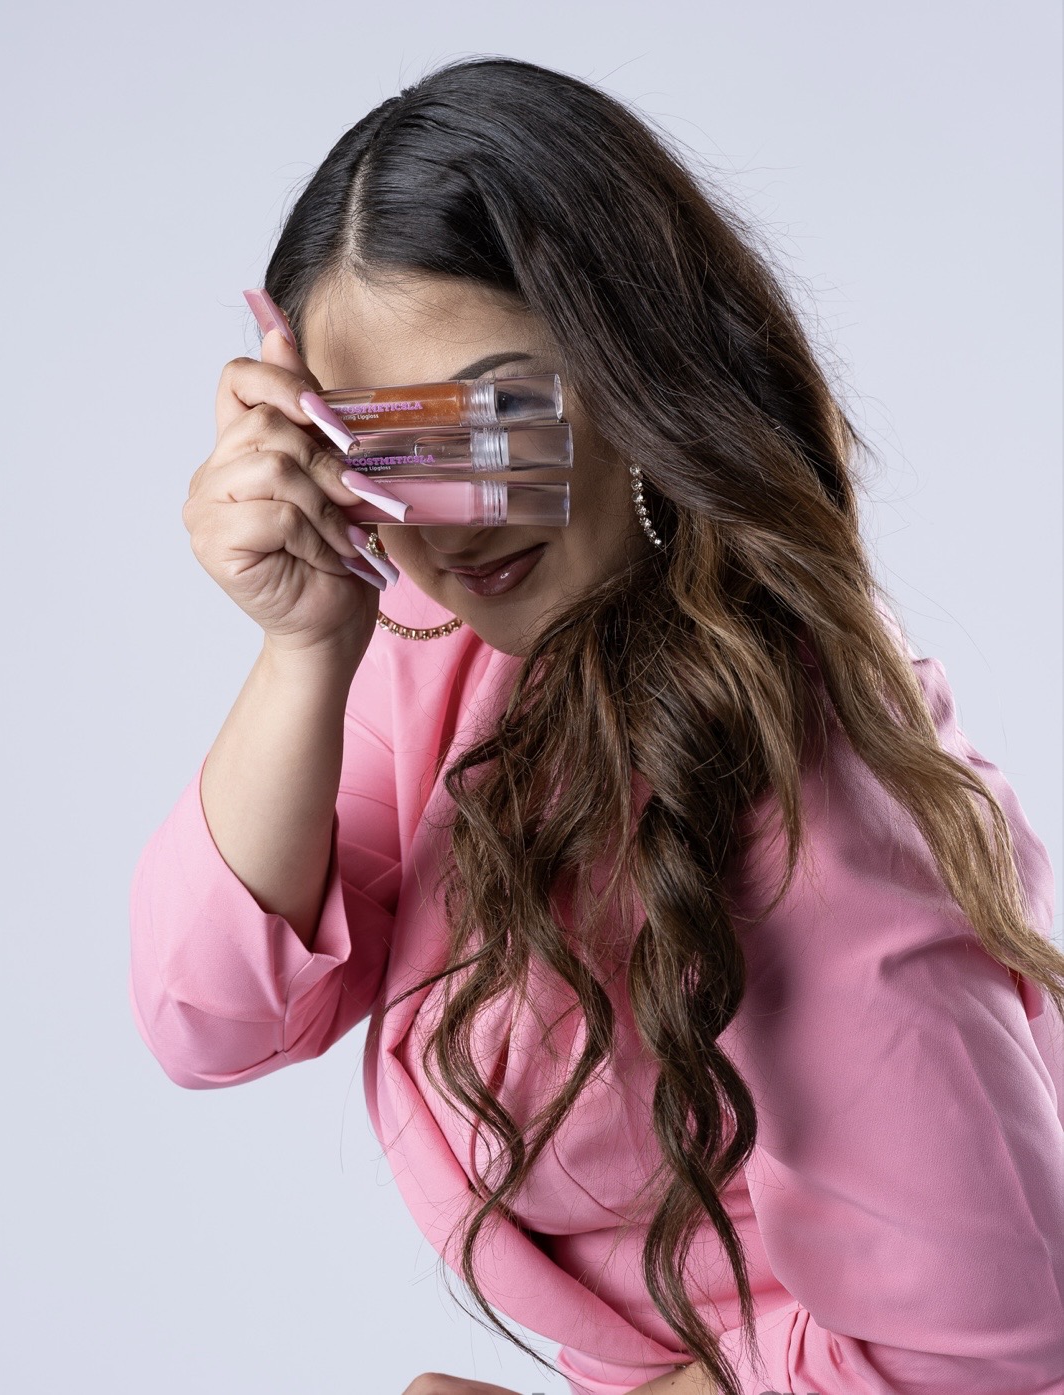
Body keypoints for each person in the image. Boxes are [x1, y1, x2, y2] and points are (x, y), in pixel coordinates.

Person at [127, 57, 1064, 1395]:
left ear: (635, 374)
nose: (443, 520)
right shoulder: (445, 649)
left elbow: (986, 1347)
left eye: (494, 423)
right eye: (378, 444)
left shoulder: (810, 788)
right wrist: (305, 642)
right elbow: (207, 1018)